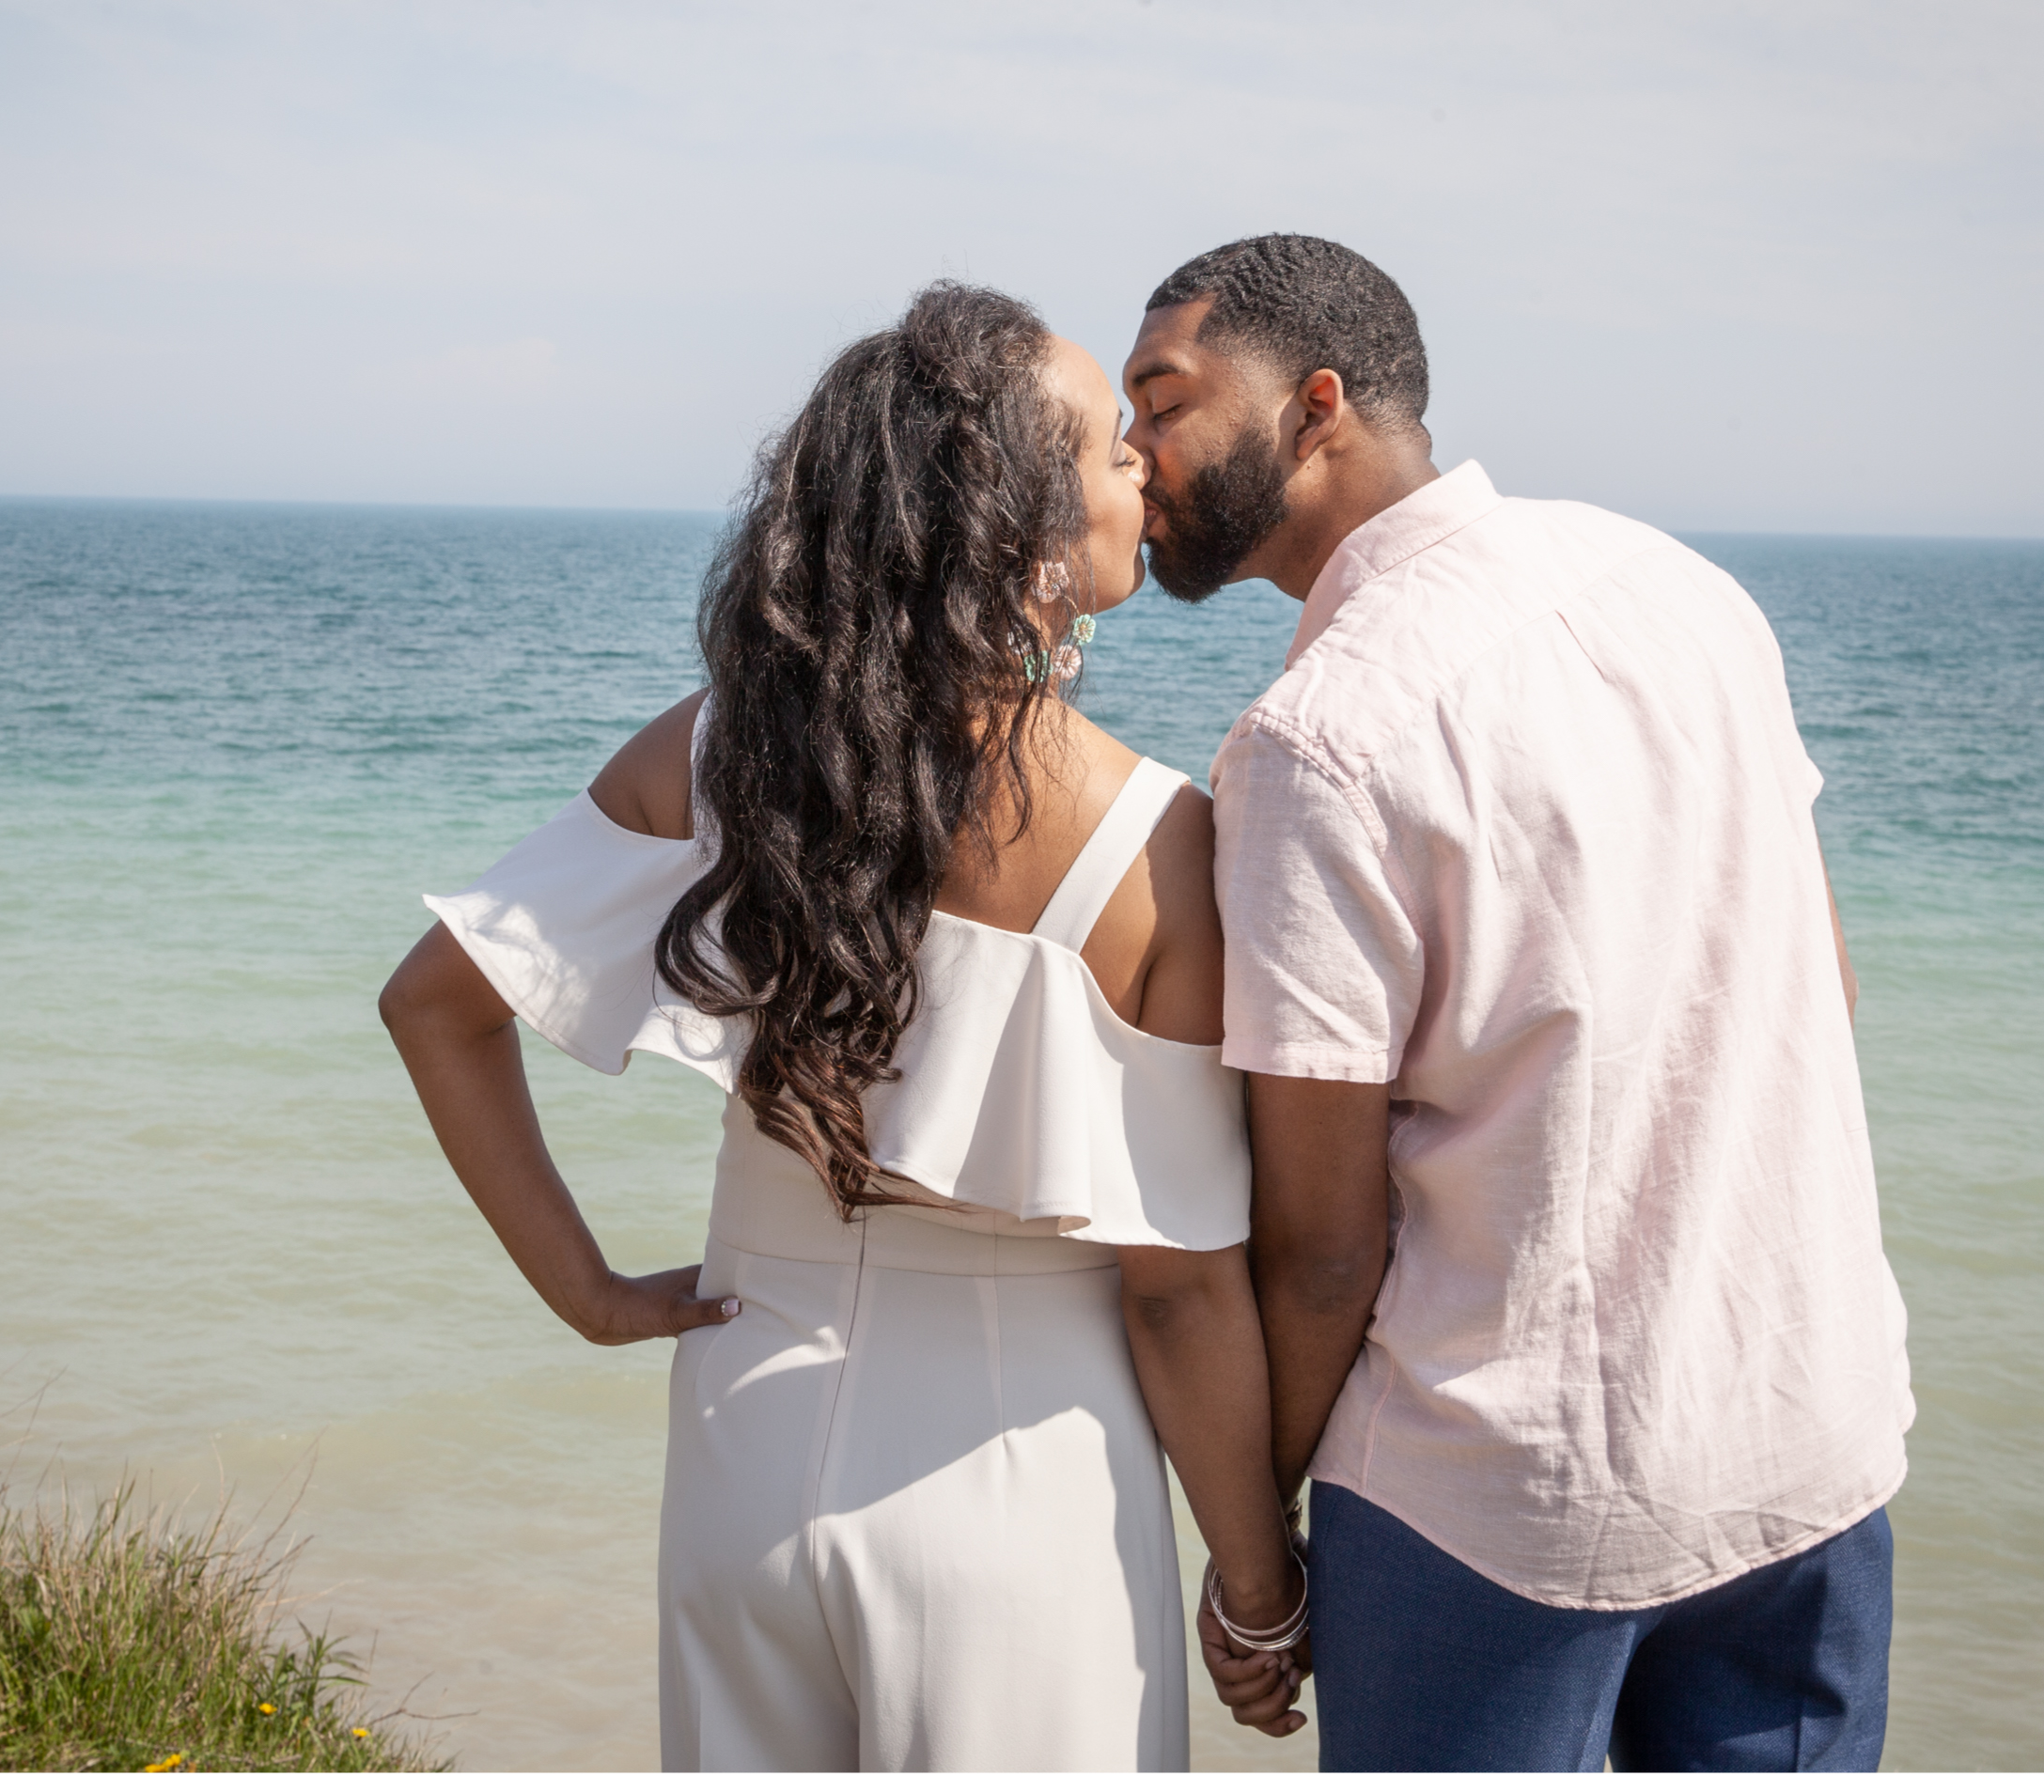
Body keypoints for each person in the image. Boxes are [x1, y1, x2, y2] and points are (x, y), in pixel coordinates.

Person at [377, 282, 1306, 1770]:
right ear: (1014, 535)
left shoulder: (716, 752)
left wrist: (593, 1296)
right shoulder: (1158, 842)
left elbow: (433, 1004)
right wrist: (1257, 1590)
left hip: (742, 1447)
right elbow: (1175, 1297)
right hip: (1019, 1482)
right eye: (1100, 442)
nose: (1140, 456)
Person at [1122, 233, 1916, 1770]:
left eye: (1165, 400)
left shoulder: (1315, 738)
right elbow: (1828, 979)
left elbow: (1324, 1242)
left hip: (1496, 1506)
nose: (1129, 452)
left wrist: (1258, 1565)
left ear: (1315, 406)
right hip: (1806, 1432)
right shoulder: (1681, 585)